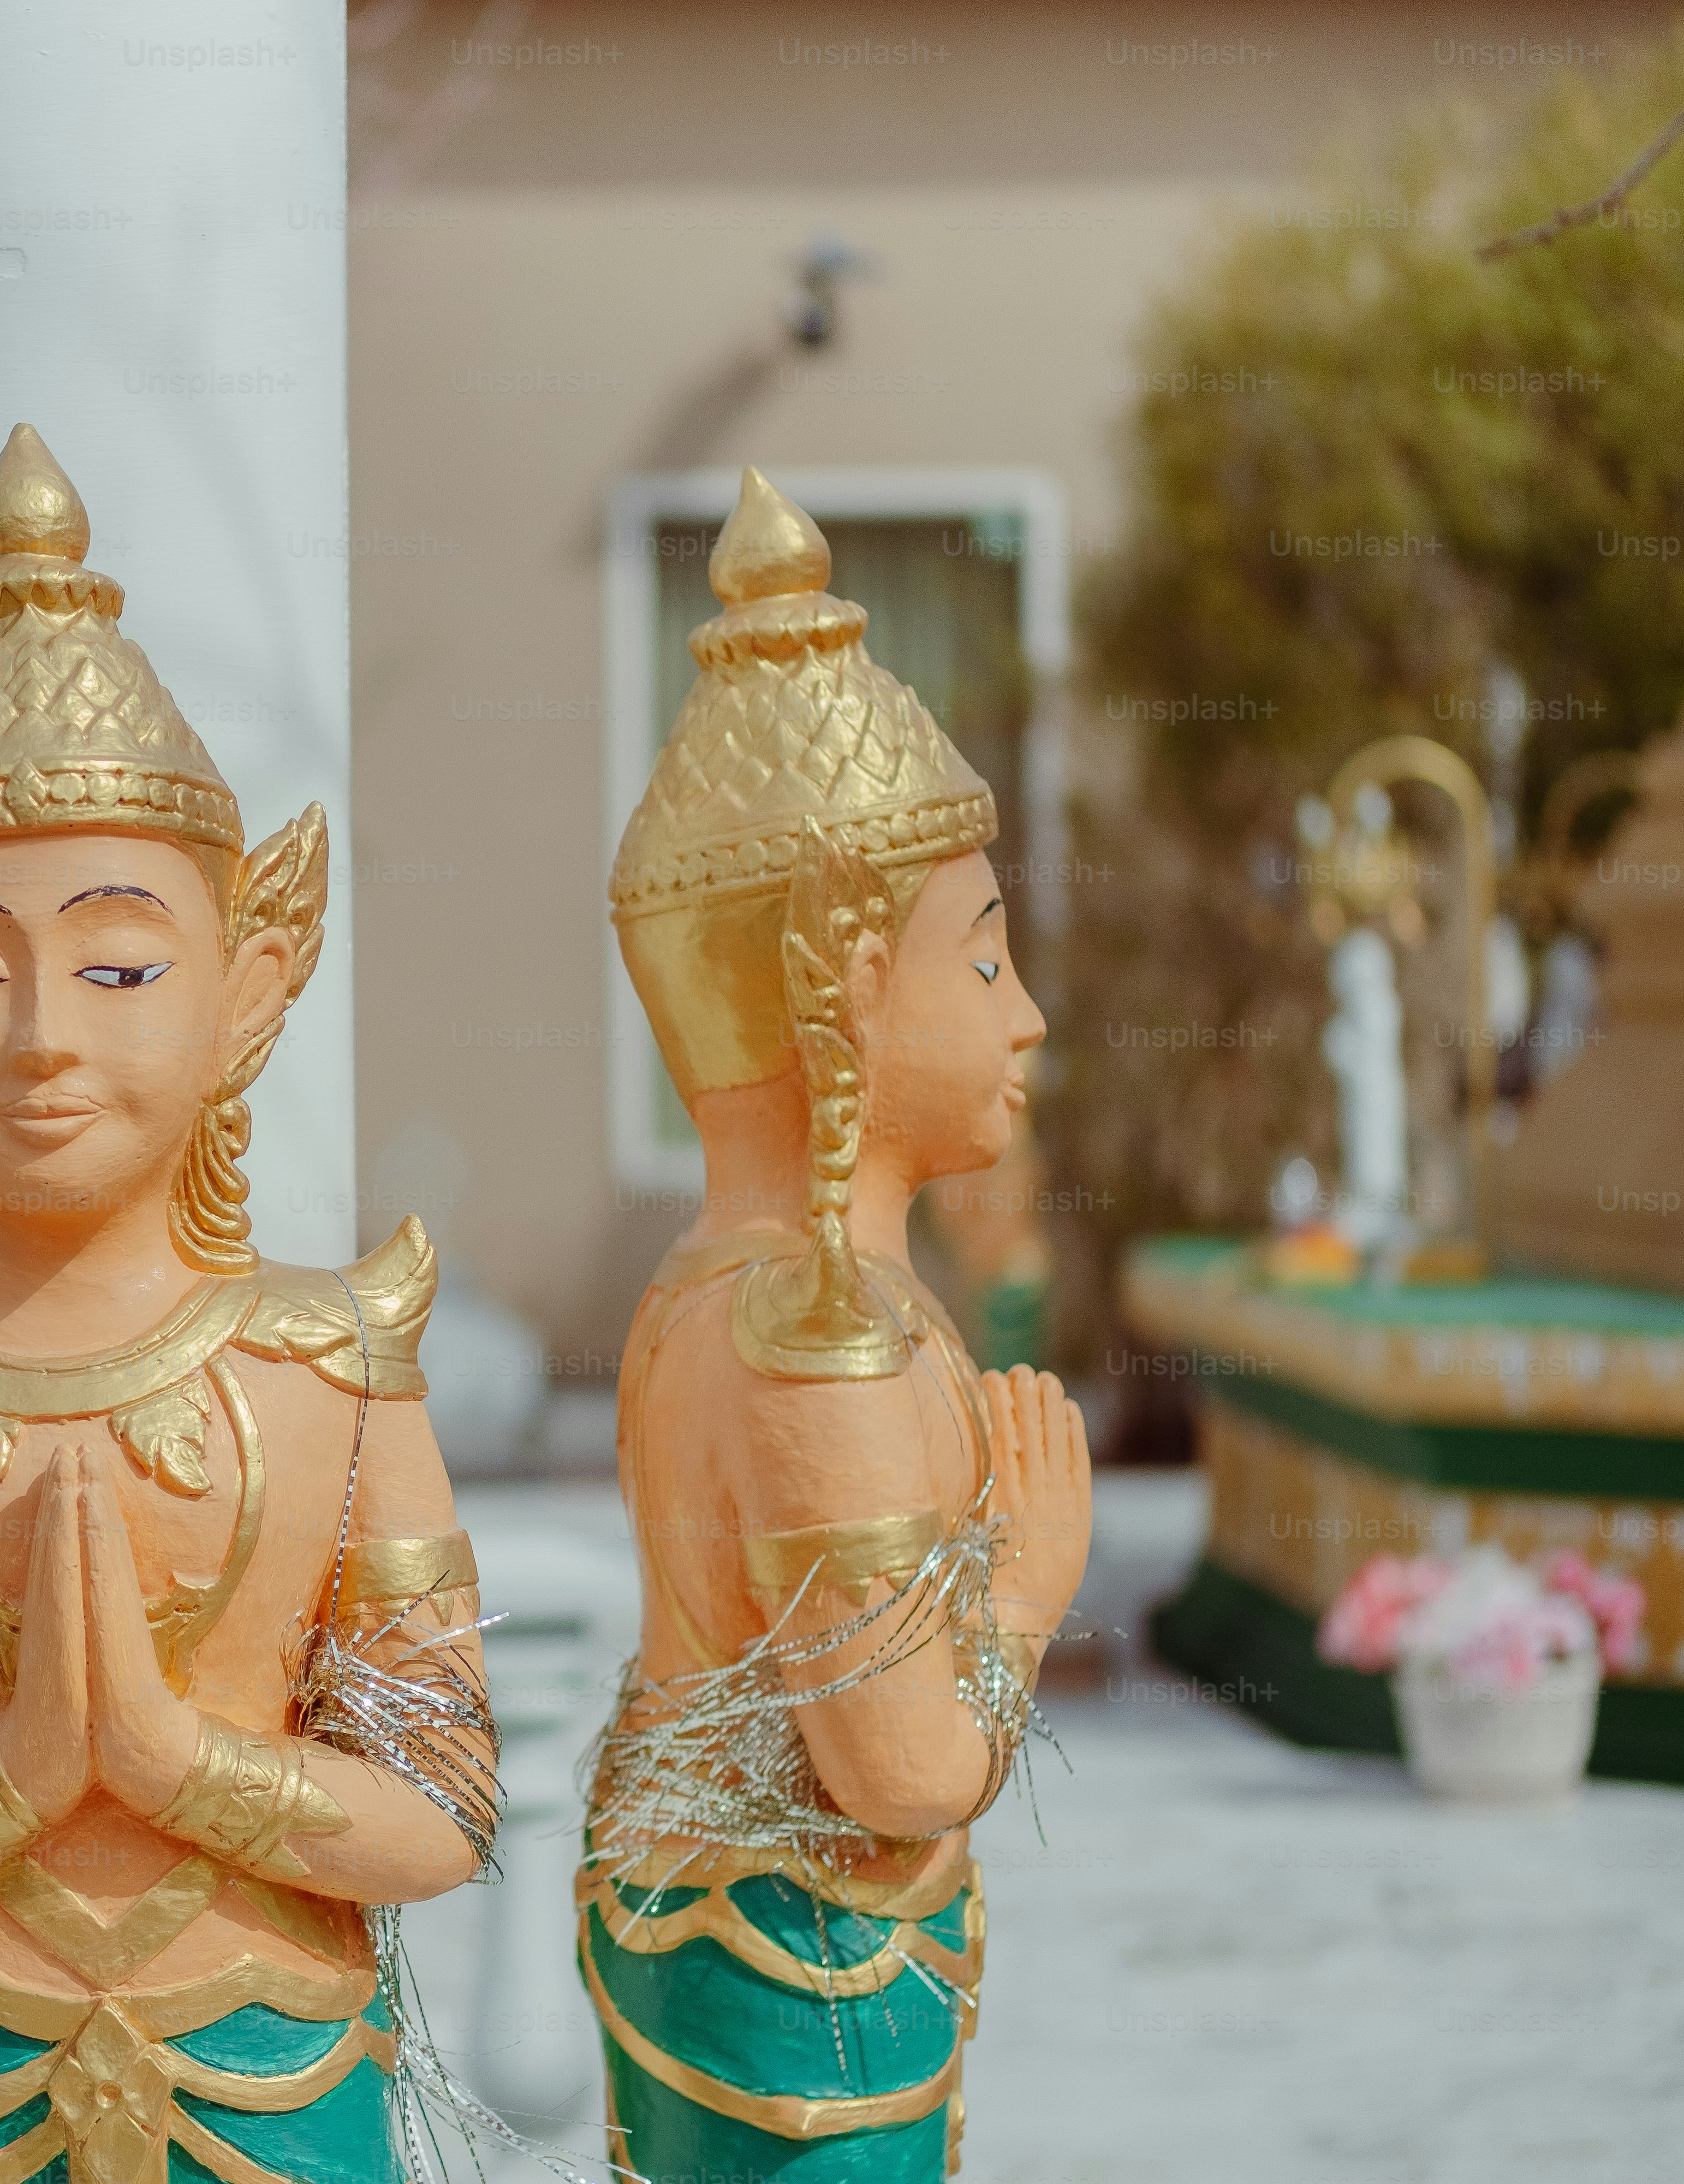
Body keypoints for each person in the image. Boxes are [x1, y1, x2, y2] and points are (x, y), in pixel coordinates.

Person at [0, 427, 501, 2184]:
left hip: (279, 2093)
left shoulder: (331, 1369)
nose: (48, 1031)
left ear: (250, 984)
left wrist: (169, 1758)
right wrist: (16, 1777)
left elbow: (445, 1812)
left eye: (124, 965)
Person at [584, 470, 1095, 2182]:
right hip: (804, 2001)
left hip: (722, 1949)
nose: (1023, 1017)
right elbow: (904, 1767)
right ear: (842, 978)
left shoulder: (694, 1295)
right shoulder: (825, 1346)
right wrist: (1023, 1595)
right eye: (982, 960)